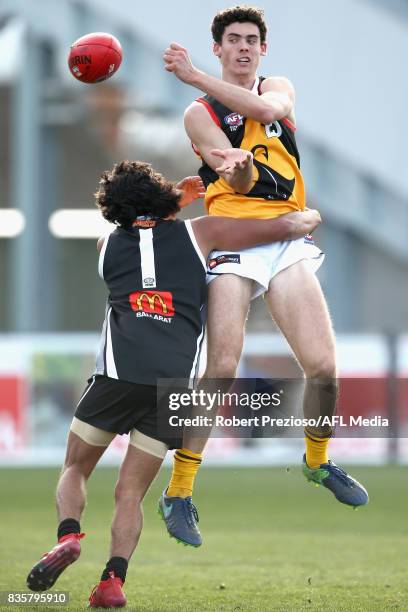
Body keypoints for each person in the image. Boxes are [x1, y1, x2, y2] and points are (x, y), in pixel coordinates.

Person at [26, 160, 320, 608]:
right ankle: (112, 582)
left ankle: (68, 536)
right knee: (131, 493)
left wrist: (167, 203)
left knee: (75, 469)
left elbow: (141, 228)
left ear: (113, 208)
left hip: (115, 379)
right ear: (160, 198)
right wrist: (308, 217)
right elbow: (284, 227)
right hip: (171, 387)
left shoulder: (107, 245)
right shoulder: (201, 233)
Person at [160, 5, 368, 547]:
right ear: (220, 47)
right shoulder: (198, 112)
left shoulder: (276, 87)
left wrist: (193, 74)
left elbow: (263, 105)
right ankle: (179, 490)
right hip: (236, 239)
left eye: (252, 39)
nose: (244, 47)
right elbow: (241, 174)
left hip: (287, 237)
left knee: (323, 367)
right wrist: (238, 169)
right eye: (234, 40)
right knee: (223, 364)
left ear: (263, 49)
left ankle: (317, 461)